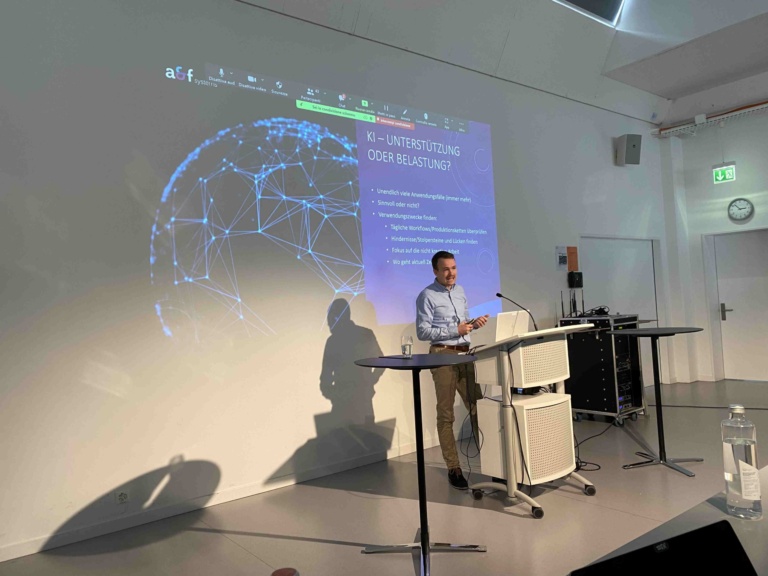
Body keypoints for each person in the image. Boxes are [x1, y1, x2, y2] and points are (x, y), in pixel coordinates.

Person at [416, 251, 488, 489]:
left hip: (465, 354)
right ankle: (453, 468)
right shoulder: (426, 295)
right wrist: (454, 330)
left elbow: (463, 324)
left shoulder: (460, 291)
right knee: (446, 415)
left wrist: (473, 324)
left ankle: (492, 461)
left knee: (479, 409)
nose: (451, 273)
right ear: (435, 271)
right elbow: (423, 331)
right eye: (445, 269)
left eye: (454, 268)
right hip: (443, 355)